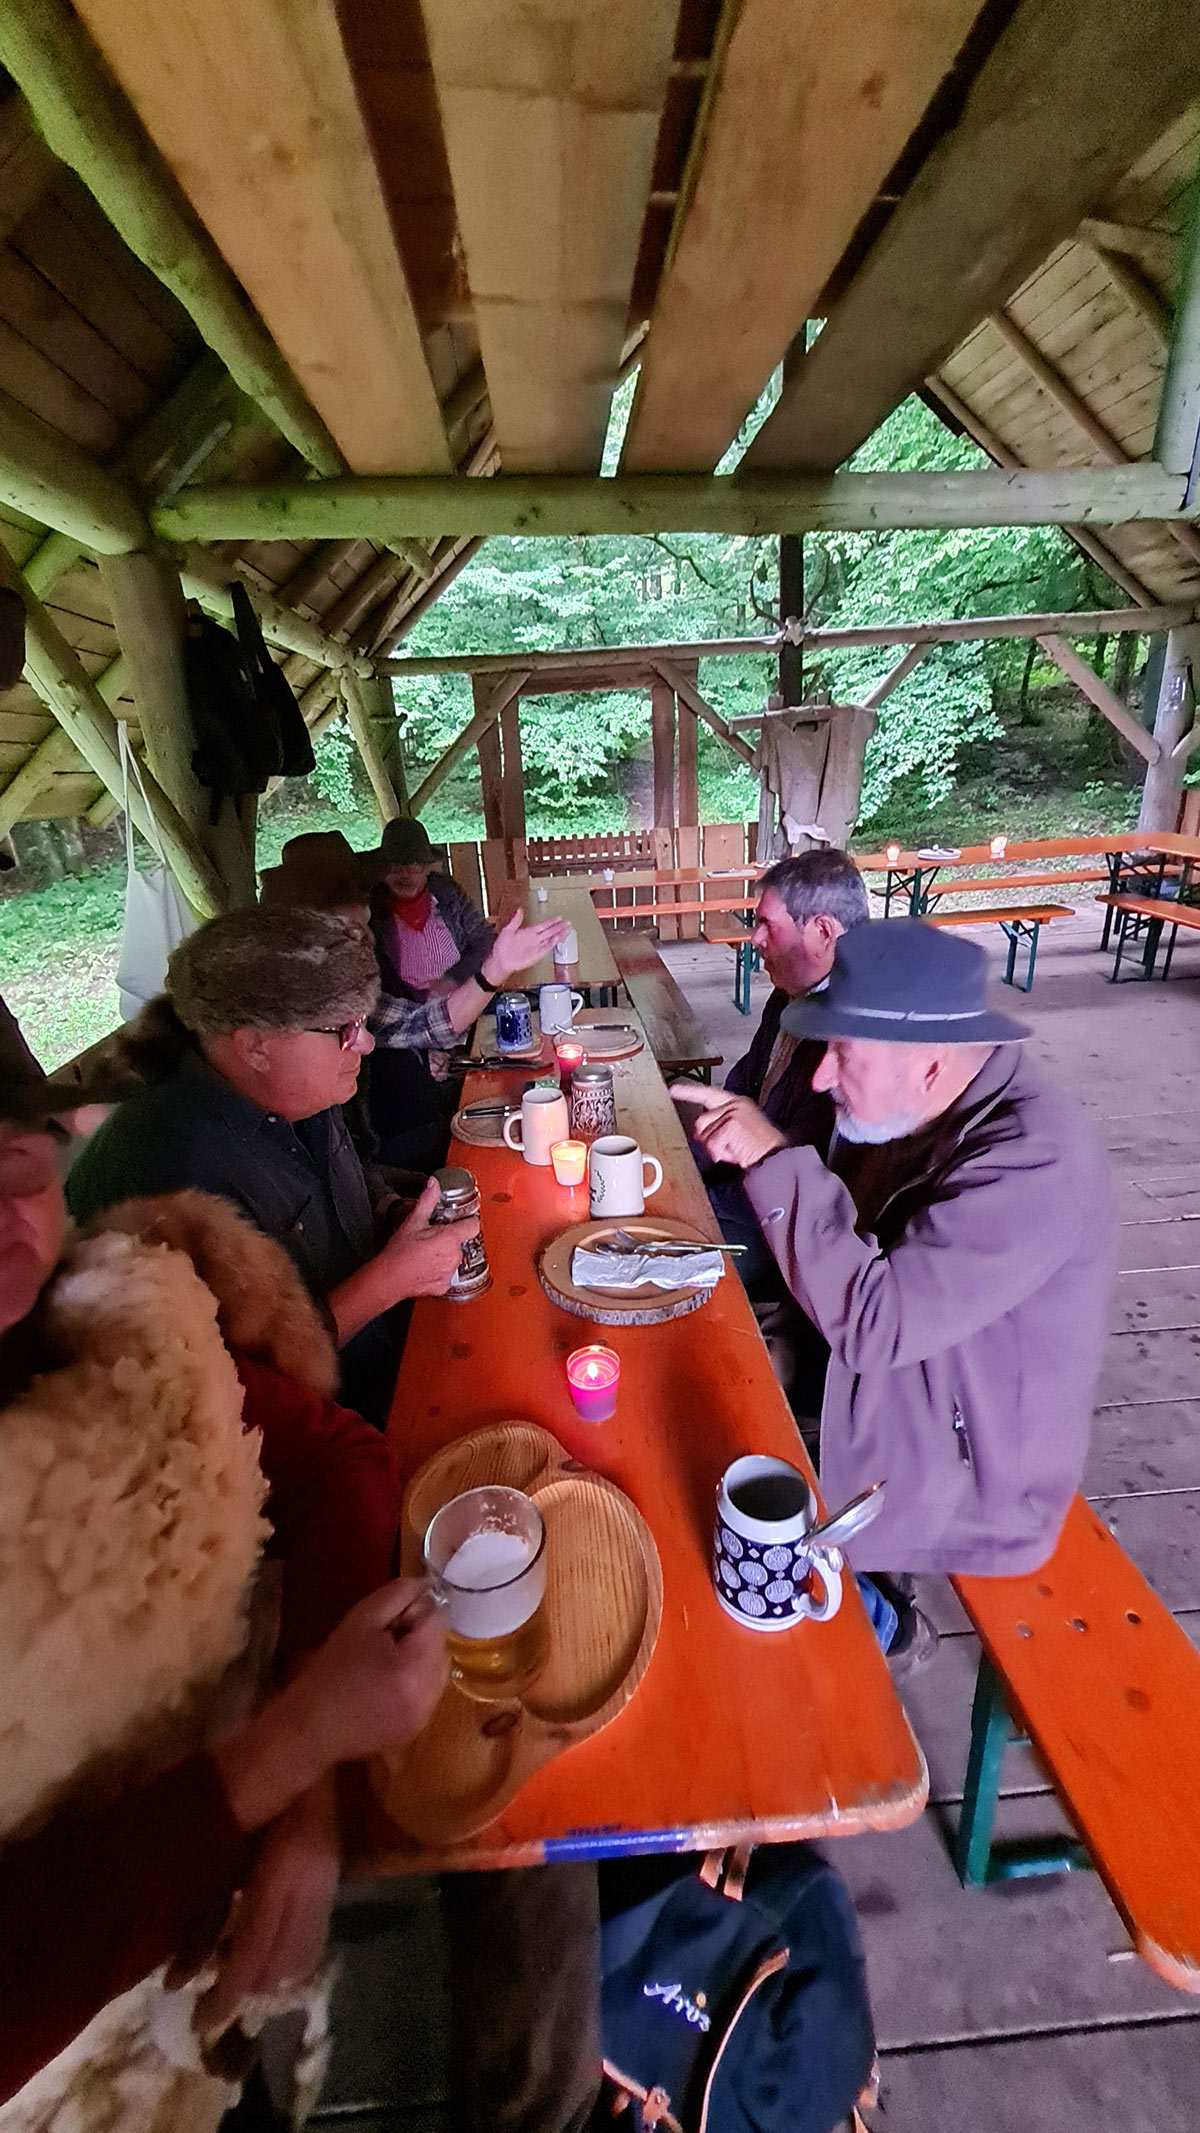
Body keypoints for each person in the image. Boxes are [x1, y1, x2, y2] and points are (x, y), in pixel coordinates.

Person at [0, 1074, 447, 2121]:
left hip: (204, 1953)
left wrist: (305, 1802)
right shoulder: (190, 1141)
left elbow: (334, 1458)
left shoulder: (119, 1317)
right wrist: (295, 1746)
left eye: (17, 1163)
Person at [685, 919, 1116, 1598]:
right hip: (889, 1393)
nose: (820, 1076)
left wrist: (770, 1157)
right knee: (693, 1390)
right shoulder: (920, 1103)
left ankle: (880, 1610)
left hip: (971, 1484)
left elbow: (875, 1324)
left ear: (931, 1064)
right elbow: (856, 1250)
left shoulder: (1038, 1162)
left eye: (841, 1052)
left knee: (714, 1546)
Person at [64, 907, 467, 1426]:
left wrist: (391, 1211)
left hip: (390, 1360)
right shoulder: (164, 1175)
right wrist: (389, 1280)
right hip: (310, 1438)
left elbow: (348, 1171)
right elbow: (226, 1389)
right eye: (343, 1030)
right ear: (255, 1045)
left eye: (362, 1023)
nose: (365, 1044)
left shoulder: (298, 1091)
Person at [677, 849, 869, 1414]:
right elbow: (744, 1088)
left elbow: (809, 1170)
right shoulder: (787, 997)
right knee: (650, 1183)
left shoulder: (854, 1030)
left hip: (784, 1220)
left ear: (823, 932)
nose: (754, 938)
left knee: (662, 1269)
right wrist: (682, 1154)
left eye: (766, 924)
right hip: (746, 1183)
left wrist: (687, 1190)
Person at [364, 818, 498, 1169]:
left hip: (466, 1007)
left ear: (427, 866)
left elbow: (484, 940)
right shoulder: (369, 916)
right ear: (383, 870)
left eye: (415, 864)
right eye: (396, 865)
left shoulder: (447, 895)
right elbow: (382, 1006)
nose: (406, 873)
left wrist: (454, 979)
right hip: (407, 1027)